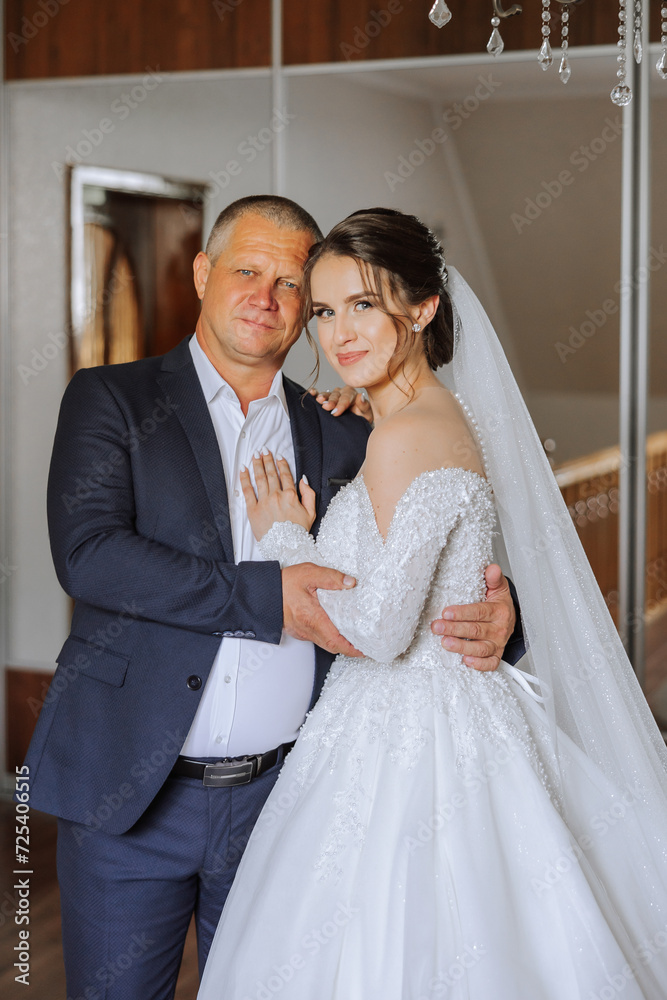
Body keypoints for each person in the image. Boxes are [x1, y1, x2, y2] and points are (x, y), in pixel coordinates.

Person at [22, 196, 522, 999]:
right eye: (247, 271)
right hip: (133, 795)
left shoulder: (346, 428)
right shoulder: (111, 398)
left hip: (289, 801)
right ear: (201, 273)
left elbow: (430, 544)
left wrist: (505, 615)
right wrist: (269, 593)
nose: (268, 297)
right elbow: (89, 557)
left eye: (294, 286)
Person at [197, 208, 667, 1000]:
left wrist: (286, 539)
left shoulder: (405, 435)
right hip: (449, 716)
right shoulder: (432, 416)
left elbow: (380, 631)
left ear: (421, 309)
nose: (338, 332)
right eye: (324, 310)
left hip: (403, 735)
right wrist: (365, 407)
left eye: (364, 305)